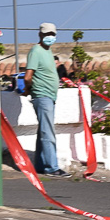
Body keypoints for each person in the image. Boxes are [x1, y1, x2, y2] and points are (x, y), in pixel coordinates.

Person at [22, 23, 69, 177]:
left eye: (52, 34)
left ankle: (41, 165)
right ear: (40, 35)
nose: (50, 37)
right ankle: (52, 167)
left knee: (43, 130)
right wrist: (28, 89)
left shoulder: (47, 51)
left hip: (49, 96)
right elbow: (28, 76)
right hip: (42, 96)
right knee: (48, 132)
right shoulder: (36, 51)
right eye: (47, 34)